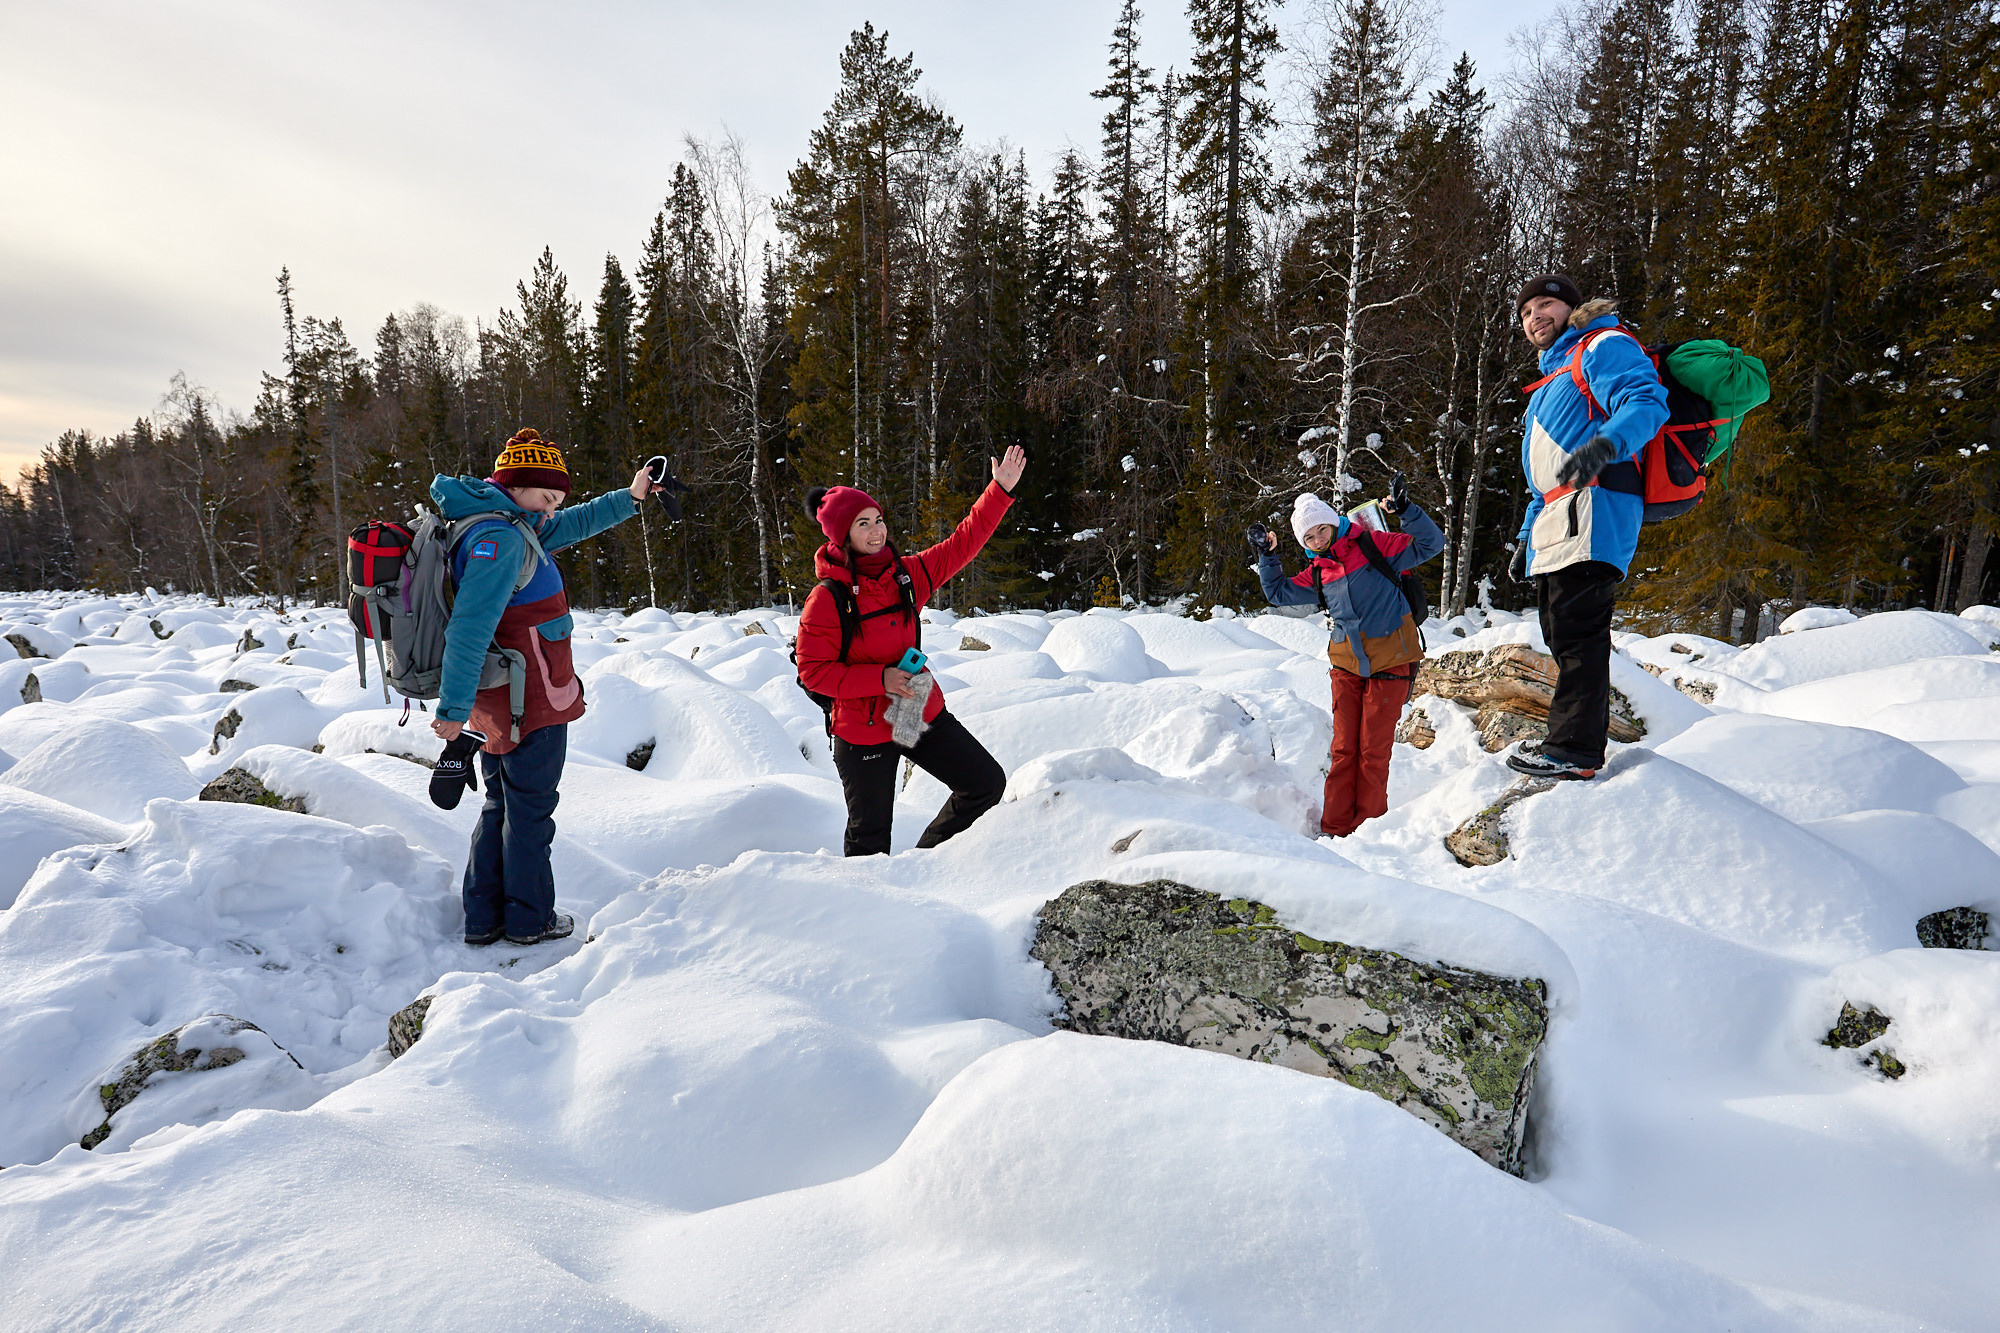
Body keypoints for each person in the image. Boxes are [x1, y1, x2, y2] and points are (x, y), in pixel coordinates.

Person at [429, 428, 667, 946]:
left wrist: (630, 497)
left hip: (509, 695)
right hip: (528, 699)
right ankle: (529, 920)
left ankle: (485, 916)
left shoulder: (510, 523)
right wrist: (453, 707)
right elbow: (469, 626)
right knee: (529, 813)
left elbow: (574, 523)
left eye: (557, 500)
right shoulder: (502, 540)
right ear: (515, 485)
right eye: (546, 497)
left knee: (503, 804)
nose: (552, 509)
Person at [797, 445, 1028, 856]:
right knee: (869, 842)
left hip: (913, 708)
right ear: (841, 535)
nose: (876, 531)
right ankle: (870, 897)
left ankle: (926, 865)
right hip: (862, 726)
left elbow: (962, 543)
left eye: (878, 520)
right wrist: (880, 678)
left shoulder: (907, 575)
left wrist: (999, 490)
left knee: (984, 784)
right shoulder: (827, 598)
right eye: (863, 524)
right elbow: (813, 673)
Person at [1505, 275, 1669, 781]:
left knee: (1579, 634)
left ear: (1571, 309)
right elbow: (1543, 481)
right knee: (1560, 631)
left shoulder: (1602, 344)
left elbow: (1647, 401)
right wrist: (1526, 537)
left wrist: (1606, 445)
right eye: (1526, 311)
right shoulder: (1550, 380)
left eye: (1545, 304)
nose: (1535, 316)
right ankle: (1571, 741)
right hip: (1559, 516)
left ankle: (1574, 752)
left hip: (1596, 508)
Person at [1253, 473, 1444, 838]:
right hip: (1346, 665)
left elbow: (1431, 544)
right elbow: (1278, 593)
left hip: (1391, 659)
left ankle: (1367, 833)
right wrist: (1268, 555)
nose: (1318, 540)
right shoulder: (1318, 572)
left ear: (1333, 523)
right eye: (1309, 538)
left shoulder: (1372, 544)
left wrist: (1407, 511)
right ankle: (1335, 828)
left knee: (1373, 753)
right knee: (1343, 751)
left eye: (1321, 530)